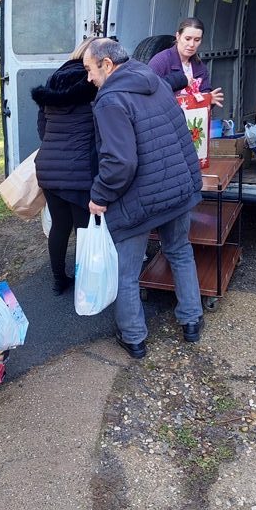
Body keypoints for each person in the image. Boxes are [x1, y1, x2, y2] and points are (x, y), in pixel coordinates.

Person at [83, 38, 204, 359]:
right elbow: (180, 134)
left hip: (139, 199)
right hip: (176, 188)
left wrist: (99, 195)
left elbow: (120, 162)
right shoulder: (154, 82)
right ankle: (192, 321)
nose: (89, 78)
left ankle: (134, 338)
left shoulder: (110, 101)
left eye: (89, 69)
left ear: (107, 64)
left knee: (127, 273)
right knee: (180, 251)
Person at [31, 39, 98, 294]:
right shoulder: (93, 82)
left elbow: (42, 127)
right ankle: (86, 283)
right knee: (83, 229)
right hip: (79, 169)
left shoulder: (53, 80)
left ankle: (59, 280)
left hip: (48, 166)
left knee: (59, 226)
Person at [148, 17, 225, 108]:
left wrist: (209, 100)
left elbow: (205, 95)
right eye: (187, 39)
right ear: (178, 36)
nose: (192, 44)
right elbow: (149, 90)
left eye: (197, 40)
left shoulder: (200, 67)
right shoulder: (161, 61)